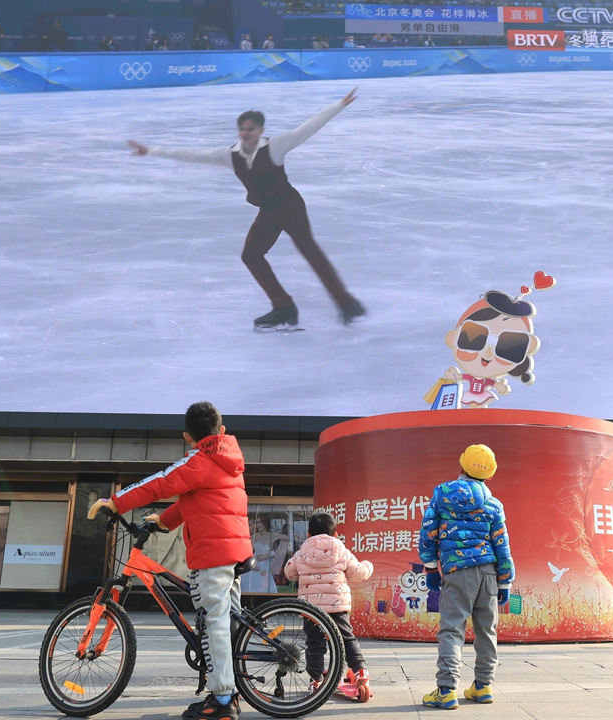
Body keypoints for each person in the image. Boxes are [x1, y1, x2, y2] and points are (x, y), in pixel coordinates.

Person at [127, 89, 366, 330]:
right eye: (242, 129)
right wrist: (151, 151)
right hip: (268, 211)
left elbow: (307, 128)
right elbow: (192, 155)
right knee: (251, 255)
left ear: (261, 130)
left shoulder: (275, 146)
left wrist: (338, 106)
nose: (245, 133)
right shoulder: (230, 155)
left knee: (309, 251)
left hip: (289, 206)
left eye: (250, 129)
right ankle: (283, 307)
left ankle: (346, 304)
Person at [86, 401, 251, 720]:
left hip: (213, 554)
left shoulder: (200, 459)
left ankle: (222, 700)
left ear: (188, 437)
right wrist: (163, 521)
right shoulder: (227, 458)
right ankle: (230, 686)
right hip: (234, 550)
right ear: (223, 430)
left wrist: (116, 502)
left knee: (213, 620)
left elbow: (161, 482)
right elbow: (195, 499)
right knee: (227, 620)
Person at [419, 444, 514, 709]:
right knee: (487, 630)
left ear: (460, 465)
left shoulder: (442, 494)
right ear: (491, 475)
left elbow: (428, 531)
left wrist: (429, 566)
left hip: (456, 571)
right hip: (488, 573)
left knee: (452, 628)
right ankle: (482, 687)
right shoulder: (494, 505)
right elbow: (502, 544)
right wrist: (505, 579)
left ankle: (446, 690)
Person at [283, 512, 374, 697]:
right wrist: (368, 565)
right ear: (335, 534)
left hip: (311, 610)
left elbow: (289, 573)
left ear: (308, 534)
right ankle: (360, 670)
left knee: (315, 644)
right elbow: (358, 573)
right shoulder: (341, 550)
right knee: (347, 639)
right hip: (337, 606)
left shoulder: (301, 553)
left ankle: (316, 681)